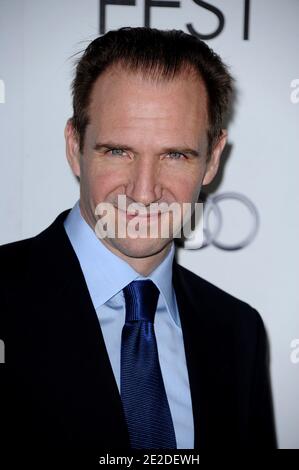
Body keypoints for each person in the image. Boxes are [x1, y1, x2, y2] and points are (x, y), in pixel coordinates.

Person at [0, 27, 276, 454]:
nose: (144, 192)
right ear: (75, 146)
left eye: (175, 155)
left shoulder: (238, 332)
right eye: (117, 151)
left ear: (213, 159)